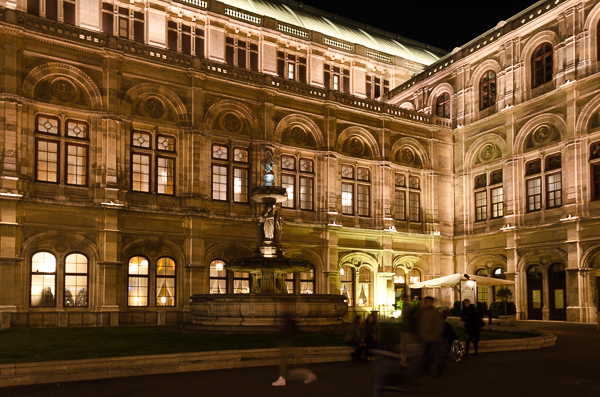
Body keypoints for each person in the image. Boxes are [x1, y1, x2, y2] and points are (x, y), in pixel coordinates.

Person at [272, 315, 317, 386]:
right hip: (288, 334)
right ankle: (307, 375)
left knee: (285, 357)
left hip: (288, 334)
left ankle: (282, 378)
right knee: (288, 358)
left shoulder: (287, 313)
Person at [416, 296, 444, 377]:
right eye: (426, 302)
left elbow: (439, 325)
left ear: (432, 303)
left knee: (436, 355)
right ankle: (425, 369)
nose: (427, 304)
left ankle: (439, 370)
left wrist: (436, 335)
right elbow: (419, 322)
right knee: (425, 354)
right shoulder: (422, 312)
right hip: (425, 337)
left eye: (428, 302)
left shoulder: (435, 312)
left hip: (433, 338)